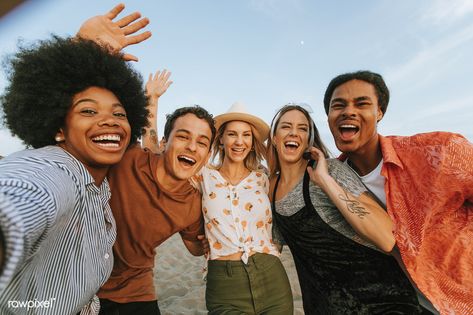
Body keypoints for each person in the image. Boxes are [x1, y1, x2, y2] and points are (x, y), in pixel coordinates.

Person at [0, 35, 148, 314]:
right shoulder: (56, 168)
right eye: (88, 111)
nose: (109, 121)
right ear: (58, 128)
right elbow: (21, 194)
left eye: (120, 114)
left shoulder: (101, 187)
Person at [323, 70, 473, 314]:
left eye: (362, 103)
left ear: (380, 112)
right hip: (408, 304)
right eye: (338, 105)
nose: (348, 111)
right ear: (328, 116)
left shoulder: (439, 152)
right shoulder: (332, 179)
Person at [268, 104, 427, 314]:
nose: (294, 133)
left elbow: (387, 238)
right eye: (286, 126)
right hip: (323, 307)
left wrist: (325, 181)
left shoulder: (331, 170)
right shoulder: (271, 187)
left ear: (308, 140)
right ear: (274, 137)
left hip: (383, 301)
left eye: (303, 128)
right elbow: (270, 247)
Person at [144, 100, 293, 314]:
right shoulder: (203, 176)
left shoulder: (264, 179)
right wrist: (152, 102)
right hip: (224, 282)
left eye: (246, 135)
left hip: (272, 276)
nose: (239, 141)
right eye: (232, 134)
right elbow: (157, 159)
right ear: (220, 138)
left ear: (252, 141)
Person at [97, 98, 216, 314]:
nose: (191, 146)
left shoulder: (193, 203)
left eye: (202, 142)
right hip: (77, 281)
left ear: (207, 157)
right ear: (163, 143)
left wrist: (208, 244)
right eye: (183, 136)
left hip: (135, 289)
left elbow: (195, 247)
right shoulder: (128, 156)